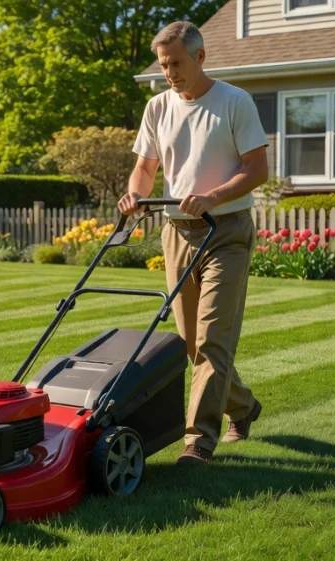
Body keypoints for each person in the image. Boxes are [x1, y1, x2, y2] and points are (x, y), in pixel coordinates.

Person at [119, 20, 270, 465]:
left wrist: (215, 195)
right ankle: (243, 406)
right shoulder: (157, 107)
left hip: (226, 232)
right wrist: (135, 193)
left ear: (201, 58)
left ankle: (198, 442)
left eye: (177, 63)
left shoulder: (234, 102)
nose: (170, 72)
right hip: (177, 233)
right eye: (164, 65)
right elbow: (145, 167)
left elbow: (257, 170)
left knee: (213, 340)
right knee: (191, 343)